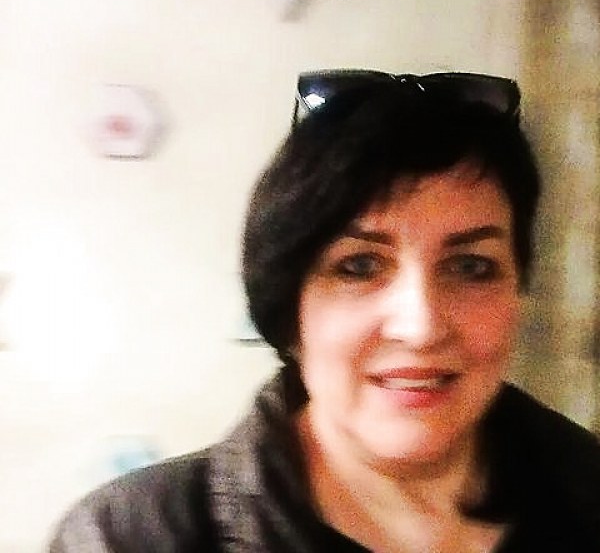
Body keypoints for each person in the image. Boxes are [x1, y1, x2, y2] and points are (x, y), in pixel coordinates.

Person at [49, 70, 600, 552]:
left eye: (471, 267)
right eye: (359, 266)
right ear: (290, 309)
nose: (421, 326)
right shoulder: (123, 538)